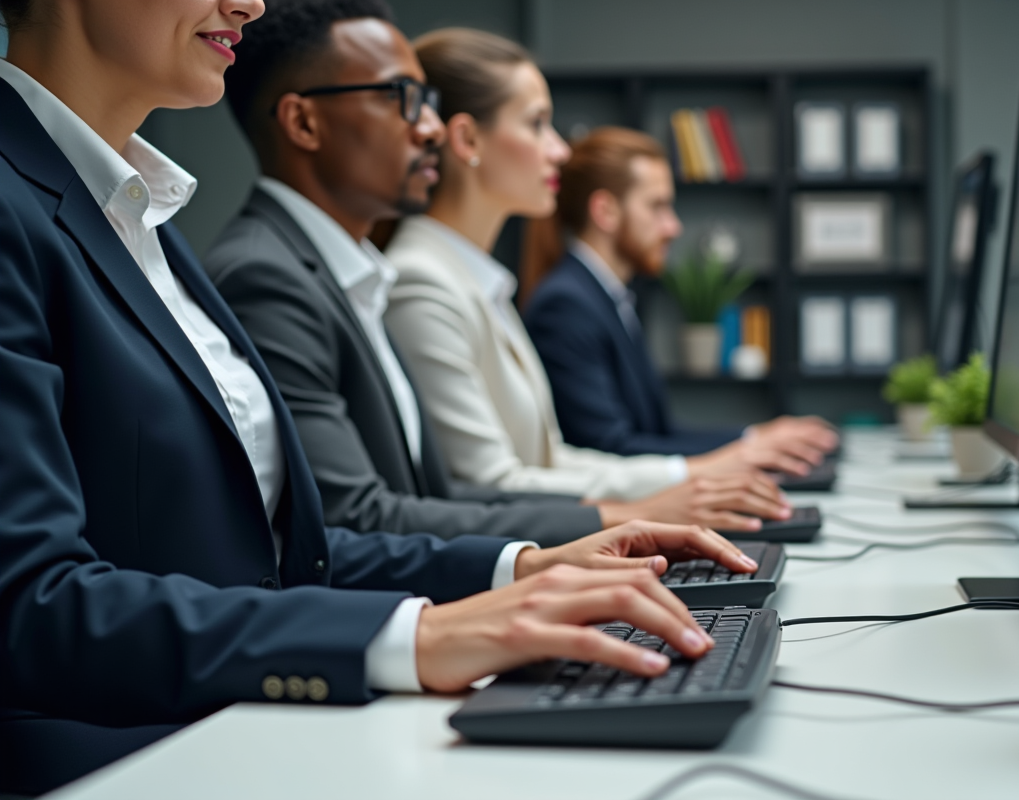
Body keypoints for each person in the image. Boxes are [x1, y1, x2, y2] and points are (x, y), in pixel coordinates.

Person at [0, 0, 756, 793]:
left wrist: (520, 566)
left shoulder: (141, 217)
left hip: (230, 718)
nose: (250, 3)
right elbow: (30, 606)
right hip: (115, 756)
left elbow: (281, 553)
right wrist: (412, 636)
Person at [206, 0, 614, 546]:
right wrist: (608, 522)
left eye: (430, 102)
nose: (431, 130)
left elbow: (429, 497)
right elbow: (355, 521)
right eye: (403, 98)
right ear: (304, 122)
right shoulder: (265, 276)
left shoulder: (348, 273)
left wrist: (619, 518)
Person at [382, 29, 801, 530]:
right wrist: (673, 492)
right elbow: (490, 485)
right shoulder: (422, 282)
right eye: (537, 124)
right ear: (468, 140)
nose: (560, 150)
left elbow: (550, 459)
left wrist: (697, 476)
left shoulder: (481, 283)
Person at [522, 127, 840, 463]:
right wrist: (749, 451)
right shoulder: (566, 306)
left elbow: (657, 433)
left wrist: (754, 437)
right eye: (657, 207)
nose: (673, 227)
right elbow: (610, 448)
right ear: (606, 211)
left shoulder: (604, 297)